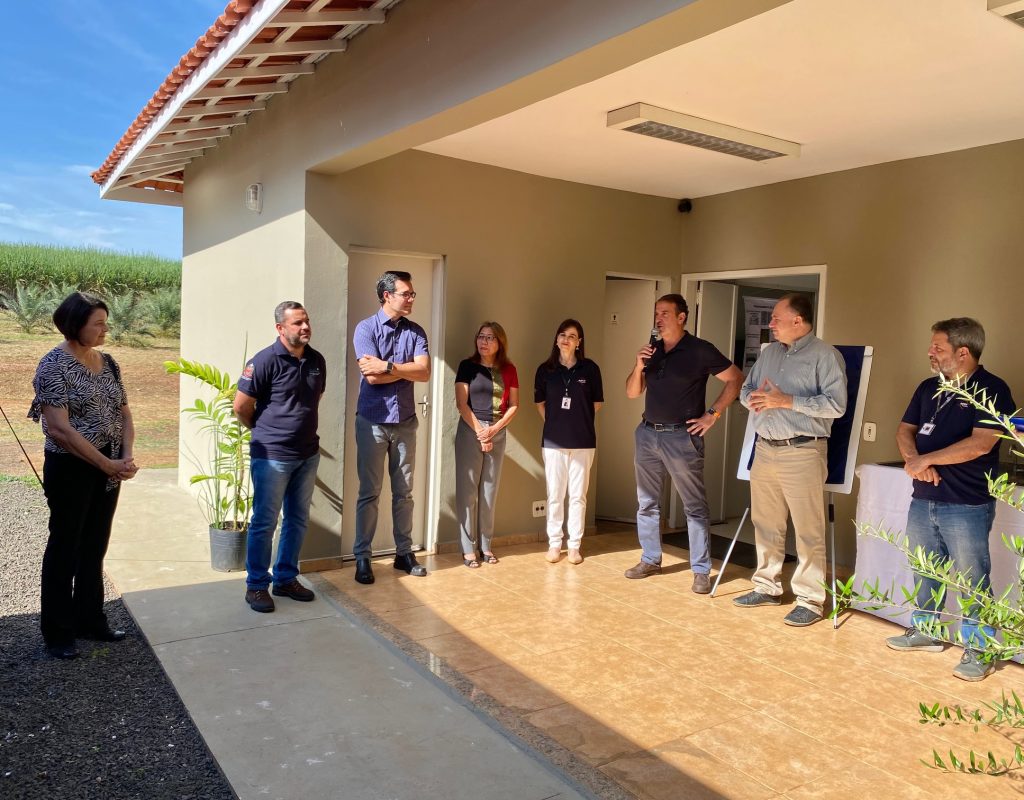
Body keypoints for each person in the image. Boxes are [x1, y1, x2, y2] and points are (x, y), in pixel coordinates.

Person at [886, 317, 1015, 681]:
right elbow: (904, 429)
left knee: (973, 577)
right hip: (924, 496)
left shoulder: (993, 388)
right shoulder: (929, 387)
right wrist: (915, 461)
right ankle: (927, 632)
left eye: (937, 347)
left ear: (963, 352)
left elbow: (982, 443)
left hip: (967, 502)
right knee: (925, 569)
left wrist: (926, 459)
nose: (930, 352)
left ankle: (979, 648)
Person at [30, 292, 138, 659]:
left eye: (105, 322)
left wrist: (124, 457)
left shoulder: (107, 363)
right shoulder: (53, 366)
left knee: (95, 545)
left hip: (108, 463)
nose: (106, 329)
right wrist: (105, 464)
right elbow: (59, 429)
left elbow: (123, 413)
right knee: (65, 547)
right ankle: (58, 633)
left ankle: (90, 620)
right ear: (76, 325)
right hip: (72, 467)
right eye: (99, 324)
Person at [734, 293, 846, 627]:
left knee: (808, 529)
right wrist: (750, 399)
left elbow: (836, 406)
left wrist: (787, 401)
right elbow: (746, 388)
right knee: (766, 523)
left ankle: (810, 600)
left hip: (803, 451)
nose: (770, 323)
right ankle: (767, 586)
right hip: (765, 447)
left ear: (798, 321)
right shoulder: (768, 354)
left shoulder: (825, 356)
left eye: (776, 318)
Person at [625, 294, 743, 592]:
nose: (658, 318)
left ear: (682, 317)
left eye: (665, 313)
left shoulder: (700, 350)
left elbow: (735, 378)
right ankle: (650, 559)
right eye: (656, 313)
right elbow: (631, 393)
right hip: (647, 434)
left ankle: (701, 570)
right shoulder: (651, 350)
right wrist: (639, 366)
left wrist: (712, 415)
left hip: (681, 437)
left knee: (694, 506)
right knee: (647, 502)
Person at [234, 301, 326, 613]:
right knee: (264, 521)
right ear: (280, 328)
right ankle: (256, 585)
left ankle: (286, 578)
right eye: (297, 323)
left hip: (307, 454)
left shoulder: (317, 361)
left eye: (306, 321)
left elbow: (314, 400)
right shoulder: (263, 361)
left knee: (297, 519)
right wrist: (264, 431)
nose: (305, 327)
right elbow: (241, 407)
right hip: (272, 455)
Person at [352, 271, 431, 584]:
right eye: (406, 293)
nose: (411, 298)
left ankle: (403, 553)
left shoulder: (417, 331)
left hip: (406, 423)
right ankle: (362, 557)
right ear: (387, 296)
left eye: (412, 294)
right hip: (372, 421)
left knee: (404, 493)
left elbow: (424, 372)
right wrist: (405, 371)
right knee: (369, 493)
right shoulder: (365, 329)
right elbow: (369, 377)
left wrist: (387, 366)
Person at [534, 319, 603, 564]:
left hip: (583, 441)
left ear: (579, 342)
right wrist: (556, 423)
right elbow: (540, 404)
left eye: (572, 336)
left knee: (578, 496)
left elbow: (596, 404)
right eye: (562, 334)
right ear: (556, 339)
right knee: (554, 494)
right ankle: (555, 544)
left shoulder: (590, 369)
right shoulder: (545, 370)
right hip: (553, 442)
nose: (566, 339)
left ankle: (574, 546)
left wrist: (576, 422)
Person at [454, 322, 519, 567]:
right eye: (481, 336)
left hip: (497, 430)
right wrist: (481, 431)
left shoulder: (510, 369)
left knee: (489, 492)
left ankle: (486, 546)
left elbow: (514, 405)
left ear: (499, 342)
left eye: (490, 337)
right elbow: (462, 403)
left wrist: (493, 429)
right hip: (471, 430)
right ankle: (467, 548)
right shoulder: (467, 366)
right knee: (468, 492)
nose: (484, 341)